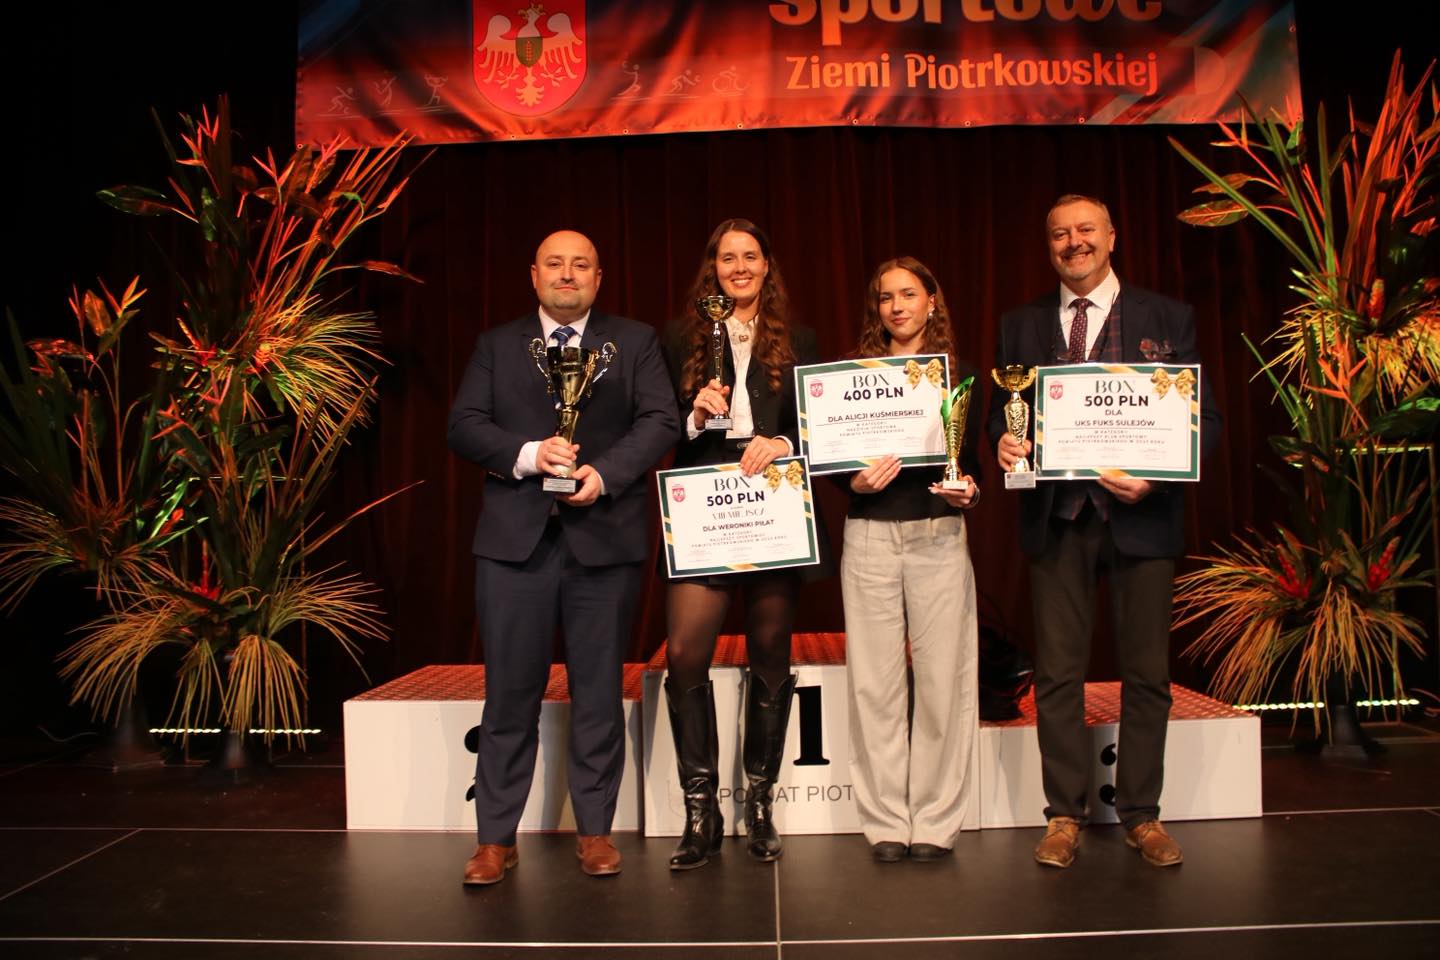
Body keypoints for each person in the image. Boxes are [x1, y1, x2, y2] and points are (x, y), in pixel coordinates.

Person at [988, 195, 1221, 869]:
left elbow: (1205, 421)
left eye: (1085, 229)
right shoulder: (1021, 324)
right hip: (1058, 519)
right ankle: (1064, 814)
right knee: (1058, 676)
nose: (1074, 242)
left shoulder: (1167, 317)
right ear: (1048, 245)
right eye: (1059, 233)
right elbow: (1002, 416)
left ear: (1112, 236)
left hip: (1141, 518)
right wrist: (1004, 443)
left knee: (1147, 674)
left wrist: (1157, 479)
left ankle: (1142, 815)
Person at [448, 229, 678, 885]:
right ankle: (496, 840)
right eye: (555, 263)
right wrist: (529, 455)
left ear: (599, 278)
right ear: (534, 274)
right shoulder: (497, 345)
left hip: (602, 540)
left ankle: (596, 832)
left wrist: (604, 474)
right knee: (508, 695)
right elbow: (464, 425)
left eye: (581, 265)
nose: (567, 274)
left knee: (600, 693)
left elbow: (660, 420)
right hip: (513, 547)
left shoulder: (634, 341)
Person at [659, 218, 819, 869]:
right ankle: (701, 813)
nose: (740, 267)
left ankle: (759, 806)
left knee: (771, 650)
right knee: (684, 653)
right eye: (728, 257)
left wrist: (782, 441)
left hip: (772, 496)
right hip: (705, 500)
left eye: (751, 256)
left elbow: (817, 424)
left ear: (767, 264)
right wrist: (694, 414)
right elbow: (659, 423)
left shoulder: (799, 338)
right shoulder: (680, 337)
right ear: (713, 267)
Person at [841, 257, 981, 864]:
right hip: (868, 535)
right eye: (884, 297)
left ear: (932, 301)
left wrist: (969, 490)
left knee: (944, 679)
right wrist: (853, 483)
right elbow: (831, 463)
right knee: (874, 684)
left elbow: (973, 464)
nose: (896, 307)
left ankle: (936, 819)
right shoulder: (850, 376)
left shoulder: (959, 376)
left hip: (937, 534)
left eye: (908, 294)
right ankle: (884, 822)